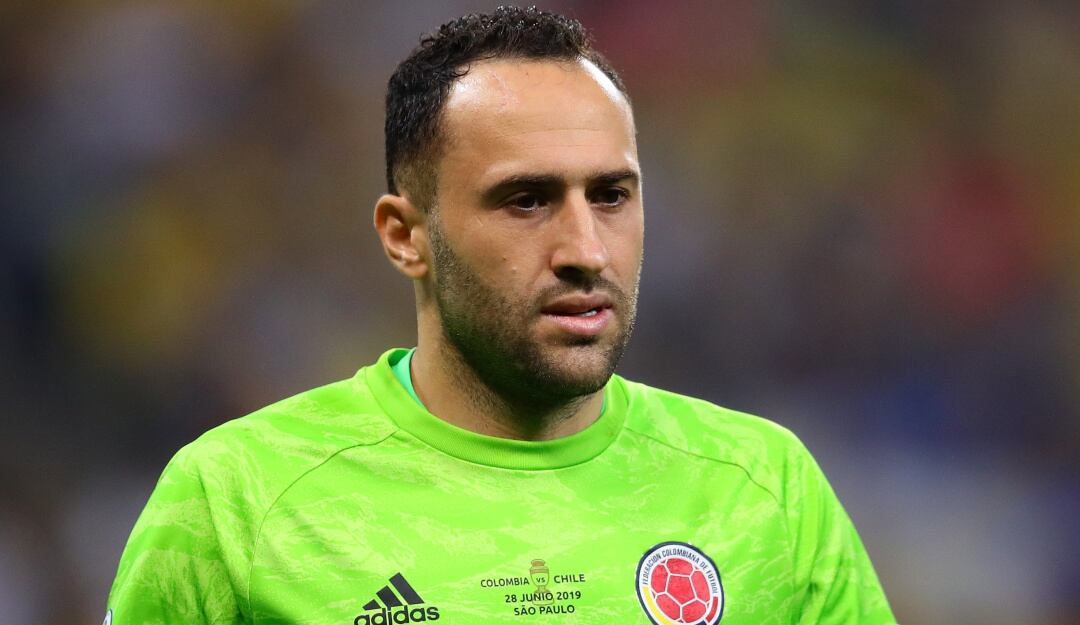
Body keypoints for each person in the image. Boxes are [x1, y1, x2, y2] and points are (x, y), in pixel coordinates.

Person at [105, 7, 895, 625]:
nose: (586, 249)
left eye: (611, 195)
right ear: (406, 235)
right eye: (526, 200)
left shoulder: (764, 489)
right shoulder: (237, 501)